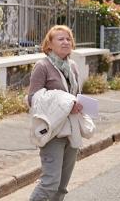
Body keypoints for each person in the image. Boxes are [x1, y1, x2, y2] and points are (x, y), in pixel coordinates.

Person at [27, 25, 87, 201]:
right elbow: (33, 98)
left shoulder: (73, 66)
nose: (66, 42)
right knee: (50, 183)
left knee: (61, 187)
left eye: (68, 39)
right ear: (50, 44)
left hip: (71, 130)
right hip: (53, 132)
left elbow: (74, 94)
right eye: (60, 39)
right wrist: (63, 102)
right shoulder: (42, 66)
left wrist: (78, 104)